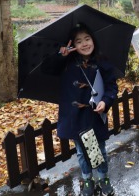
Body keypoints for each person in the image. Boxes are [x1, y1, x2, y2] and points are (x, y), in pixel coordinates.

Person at [42, 23, 117, 196]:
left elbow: (112, 86)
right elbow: (48, 68)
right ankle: (87, 179)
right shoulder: (67, 62)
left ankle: (103, 177)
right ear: (72, 45)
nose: (84, 44)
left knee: (99, 149)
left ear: (93, 40)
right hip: (74, 115)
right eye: (79, 41)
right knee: (82, 151)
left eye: (87, 39)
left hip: (95, 114)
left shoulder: (101, 62)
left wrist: (105, 102)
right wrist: (61, 55)